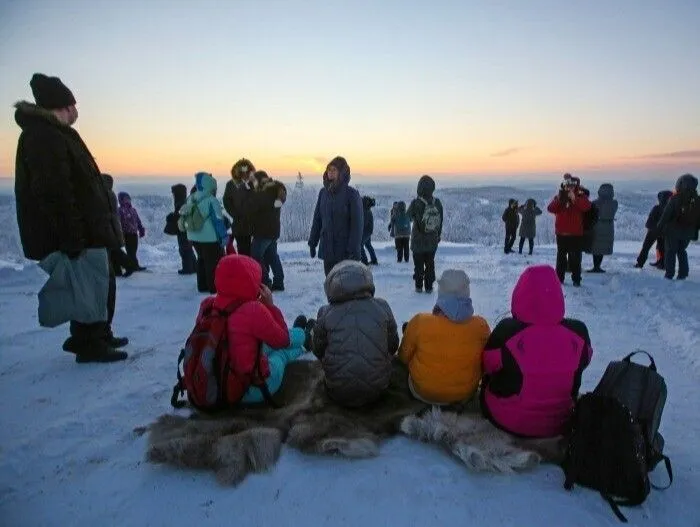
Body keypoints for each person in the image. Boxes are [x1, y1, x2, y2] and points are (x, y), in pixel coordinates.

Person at [13, 73, 127, 362]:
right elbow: (54, 192)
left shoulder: (55, 134)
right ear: (61, 106)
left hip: (88, 229)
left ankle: (99, 334)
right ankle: (89, 343)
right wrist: (72, 236)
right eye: (71, 105)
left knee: (99, 283)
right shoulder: (44, 136)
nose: (76, 111)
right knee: (88, 285)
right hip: (79, 232)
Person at [480, 265, 593, 438]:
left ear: (520, 295)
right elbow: (586, 358)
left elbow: (487, 364)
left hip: (508, 420)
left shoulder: (507, 331)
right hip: (561, 422)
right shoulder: (578, 332)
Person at [195, 254, 313, 405]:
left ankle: (301, 334)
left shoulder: (208, 305)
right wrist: (270, 306)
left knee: (265, 343)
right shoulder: (252, 309)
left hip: (215, 384)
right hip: (250, 390)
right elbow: (282, 340)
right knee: (281, 353)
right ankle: (305, 340)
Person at [312, 261, 399, 407]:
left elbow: (317, 350)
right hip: (378, 389)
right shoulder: (382, 306)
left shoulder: (325, 312)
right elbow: (393, 346)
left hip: (337, 391)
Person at [399, 269, 490, 405]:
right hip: (464, 393)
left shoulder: (419, 322)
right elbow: (486, 363)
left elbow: (403, 357)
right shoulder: (481, 326)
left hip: (423, 392)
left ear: (441, 292)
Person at [308, 157, 363, 276]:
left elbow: (357, 225)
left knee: (346, 288)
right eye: (329, 169)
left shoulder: (351, 194)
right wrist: (313, 242)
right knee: (331, 286)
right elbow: (317, 219)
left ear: (342, 173)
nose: (330, 172)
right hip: (327, 250)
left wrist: (353, 250)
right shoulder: (323, 193)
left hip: (345, 252)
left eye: (334, 170)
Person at [182, 172, 227, 293]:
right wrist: (223, 236)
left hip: (193, 236)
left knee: (201, 260)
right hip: (209, 238)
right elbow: (218, 220)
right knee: (212, 263)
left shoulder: (191, 197)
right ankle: (214, 288)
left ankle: (202, 286)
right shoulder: (211, 200)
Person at [547, 175, 592, 287]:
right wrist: (559, 199)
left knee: (575, 258)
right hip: (561, 233)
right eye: (567, 185)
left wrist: (574, 199)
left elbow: (586, 207)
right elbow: (551, 208)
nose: (569, 188)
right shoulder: (560, 196)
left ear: (575, 186)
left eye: (572, 185)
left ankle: (576, 279)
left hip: (575, 234)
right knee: (561, 258)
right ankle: (559, 279)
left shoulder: (580, 196)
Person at [248, 170, 287, 291]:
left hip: (263, 231)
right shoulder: (274, 189)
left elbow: (254, 208)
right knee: (272, 256)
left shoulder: (263, 192)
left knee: (256, 256)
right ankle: (279, 282)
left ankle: (265, 282)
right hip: (273, 230)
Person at [657, 174, 700, 280]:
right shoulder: (697, 200)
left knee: (670, 252)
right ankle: (683, 274)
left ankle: (669, 274)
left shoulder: (675, 198)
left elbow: (666, 214)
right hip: (689, 232)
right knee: (682, 251)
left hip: (673, 232)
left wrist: (659, 227)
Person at [407, 175, 443, 293]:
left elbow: (408, 217)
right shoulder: (437, 203)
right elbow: (440, 222)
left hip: (417, 241)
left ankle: (418, 287)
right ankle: (429, 287)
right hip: (432, 241)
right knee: (430, 264)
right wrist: (438, 236)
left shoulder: (415, 203)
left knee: (418, 265)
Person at [103, 174, 137, 277]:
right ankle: (117, 270)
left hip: (109, 227)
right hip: (111, 226)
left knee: (113, 250)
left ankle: (128, 265)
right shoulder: (109, 194)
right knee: (112, 250)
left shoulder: (107, 194)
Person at [223, 159, 256, 256]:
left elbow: (260, 199)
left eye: (247, 170)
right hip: (240, 225)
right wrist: (235, 215)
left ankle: (257, 270)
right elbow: (227, 201)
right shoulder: (231, 184)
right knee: (244, 252)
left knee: (258, 253)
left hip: (255, 224)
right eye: (243, 170)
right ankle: (246, 270)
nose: (245, 172)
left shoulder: (254, 183)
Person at [635, 190, 673, 269]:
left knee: (646, 247)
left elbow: (649, 222)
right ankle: (662, 264)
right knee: (662, 248)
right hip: (664, 232)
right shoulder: (671, 209)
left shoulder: (657, 208)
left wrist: (650, 229)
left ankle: (640, 264)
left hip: (653, 232)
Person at [165, 184, 197, 275]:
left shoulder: (180, 203)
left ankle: (187, 268)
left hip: (183, 230)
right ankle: (194, 266)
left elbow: (180, 216)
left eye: (174, 193)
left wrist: (171, 217)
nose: (173, 195)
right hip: (187, 229)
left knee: (184, 249)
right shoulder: (184, 201)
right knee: (188, 248)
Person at [586, 183, 618, 273]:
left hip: (596, 227)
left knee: (596, 247)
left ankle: (595, 266)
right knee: (602, 248)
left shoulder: (595, 203)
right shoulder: (614, 203)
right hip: (608, 227)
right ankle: (598, 266)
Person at [117, 192, 146, 272]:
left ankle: (134, 265)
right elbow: (118, 222)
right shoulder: (120, 210)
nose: (127, 201)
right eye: (125, 199)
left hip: (134, 233)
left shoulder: (133, 210)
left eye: (128, 198)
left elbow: (138, 220)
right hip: (126, 234)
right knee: (130, 251)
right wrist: (120, 233)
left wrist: (141, 229)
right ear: (121, 200)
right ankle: (131, 266)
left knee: (134, 250)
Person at [360, 196, 378, 265]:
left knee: (360, 245)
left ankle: (364, 261)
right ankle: (374, 260)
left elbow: (363, 223)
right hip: (368, 231)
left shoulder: (365, 210)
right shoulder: (367, 209)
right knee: (368, 245)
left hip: (365, 231)